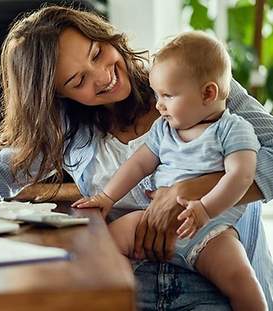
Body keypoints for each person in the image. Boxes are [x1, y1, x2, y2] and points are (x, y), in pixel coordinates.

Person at [0, 5, 273, 310]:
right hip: (132, 285)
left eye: (97, 52)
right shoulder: (71, 127)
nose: (103, 76)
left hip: (219, 284)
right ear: (57, 96)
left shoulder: (192, 80)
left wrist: (194, 190)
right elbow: (5, 167)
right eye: (78, 80)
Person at [72, 31, 266, 310]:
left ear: (208, 93)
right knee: (106, 244)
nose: (158, 104)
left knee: (241, 279)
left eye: (167, 95)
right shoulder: (165, 129)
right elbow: (138, 164)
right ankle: (124, 299)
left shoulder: (233, 129)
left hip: (210, 231)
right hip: (152, 221)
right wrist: (107, 197)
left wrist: (205, 209)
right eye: (156, 94)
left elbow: (241, 176)